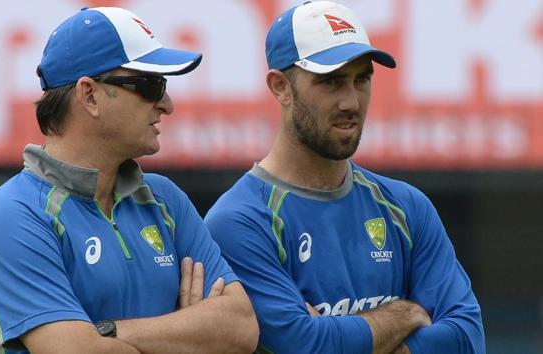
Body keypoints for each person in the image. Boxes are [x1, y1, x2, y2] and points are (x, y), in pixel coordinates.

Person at [0, 7, 258, 354]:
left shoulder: (165, 199)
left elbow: (240, 327)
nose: (167, 104)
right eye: (150, 84)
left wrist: (106, 331)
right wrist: (190, 332)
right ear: (89, 95)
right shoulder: (10, 215)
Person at [205, 1, 485, 353]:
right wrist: (406, 313)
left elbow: (468, 336)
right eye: (331, 81)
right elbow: (305, 345)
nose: (351, 101)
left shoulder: (407, 207)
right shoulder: (240, 222)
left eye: (361, 79)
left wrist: (342, 337)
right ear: (280, 87)